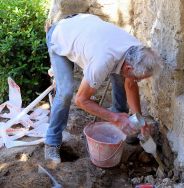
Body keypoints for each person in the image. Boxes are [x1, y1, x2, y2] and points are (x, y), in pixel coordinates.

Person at [45, 13, 163, 164]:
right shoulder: (103, 61)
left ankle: (121, 127)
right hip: (60, 36)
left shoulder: (137, 50)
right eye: (138, 77)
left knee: (122, 79)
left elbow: (130, 84)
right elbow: (81, 100)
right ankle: (52, 142)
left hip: (84, 30)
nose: (138, 81)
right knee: (66, 91)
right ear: (128, 67)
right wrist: (115, 118)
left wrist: (139, 121)